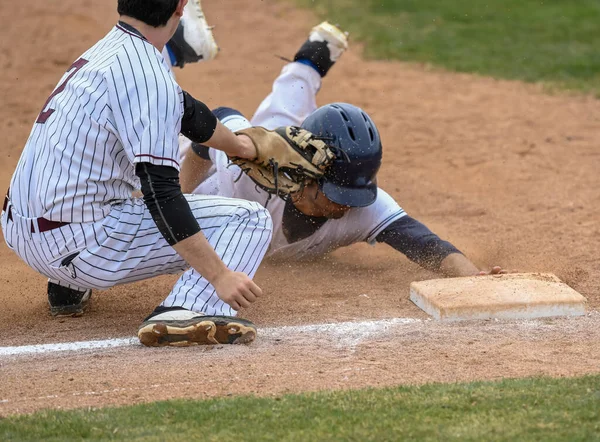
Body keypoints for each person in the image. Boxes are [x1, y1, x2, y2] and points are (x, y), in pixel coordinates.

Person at [1, 0, 281, 347]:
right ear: (180, 8)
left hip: (18, 229)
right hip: (77, 246)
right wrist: (219, 276)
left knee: (98, 176)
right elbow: (162, 196)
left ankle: (67, 286)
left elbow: (187, 110)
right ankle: (187, 309)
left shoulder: (108, 51)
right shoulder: (149, 78)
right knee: (250, 219)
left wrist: (240, 146)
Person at [180, 22, 509, 276]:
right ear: (304, 175)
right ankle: (170, 47)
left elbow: (425, 244)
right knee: (271, 115)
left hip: (292, 148)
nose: (344, 208)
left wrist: (472, 276)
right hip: (201, 161)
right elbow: (215, 122)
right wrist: (180, 196)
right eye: (337, 196)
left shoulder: (362, 202)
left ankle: (314, 55)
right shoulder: (251, 169)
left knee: (285, 106)